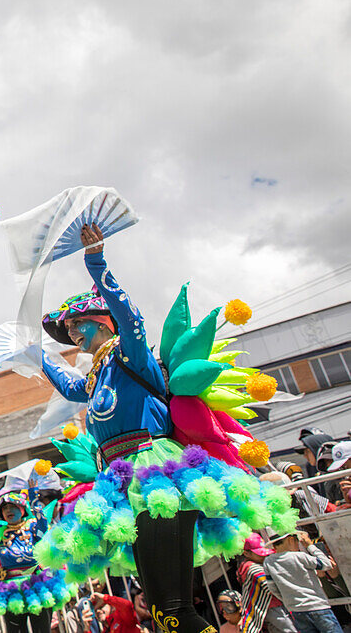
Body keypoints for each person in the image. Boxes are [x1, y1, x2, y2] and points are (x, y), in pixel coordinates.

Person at [34, 225, 295, 633]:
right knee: (162, 610)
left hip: (157, 474)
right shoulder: (96, 376)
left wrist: (95, 260)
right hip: (122, 481)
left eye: (76, 325)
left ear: (102, 321)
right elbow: (69, 385)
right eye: (66, 331)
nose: (71, 335)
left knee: (172, 609)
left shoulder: (131, 354)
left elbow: (131, 316)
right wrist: (37, 352)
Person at [0, 487, 73, 633]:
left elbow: (43, 529)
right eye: (5, 508)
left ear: (22, 509)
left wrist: (34, 500)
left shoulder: (33, 527)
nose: (8, 511)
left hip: (36, 585)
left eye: (12, 507)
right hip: (10, 590)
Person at [263, 531, 340, 633]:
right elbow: (326, 564)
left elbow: (273, 588)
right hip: (317, 606)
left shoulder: (268, 562)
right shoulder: (299, 556)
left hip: (296, 611)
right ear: (291, 540)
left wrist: (288, 601)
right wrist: (310, 546)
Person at [236, 533, 294, 633]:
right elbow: (271, 587)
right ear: (246, 553)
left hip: (269, 608)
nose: (264, 555)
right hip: (272, 607)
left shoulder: (256, 564)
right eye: (258, 553)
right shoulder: (252, 568)